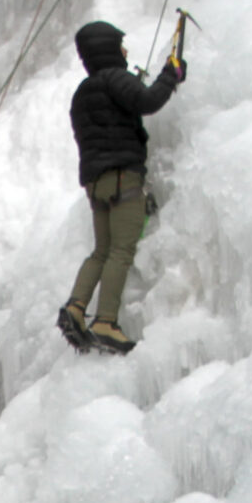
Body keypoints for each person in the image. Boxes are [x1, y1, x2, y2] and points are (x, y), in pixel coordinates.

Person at [59, 19, 183, 354]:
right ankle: (105, 322)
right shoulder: (116, 79)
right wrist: (172, 74)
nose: (125, 51)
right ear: (108, 49)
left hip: (96, 185)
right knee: (121, 251)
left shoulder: (82, 94)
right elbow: (148, 102)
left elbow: (109, 119)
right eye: (120, 45)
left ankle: (75, 307)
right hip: (123, 178)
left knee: (101, 250)